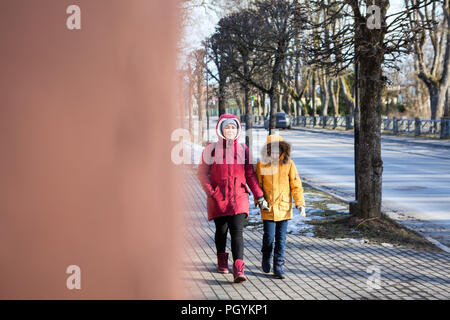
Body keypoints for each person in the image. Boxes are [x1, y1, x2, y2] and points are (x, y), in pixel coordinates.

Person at [197, 114, 269, 283]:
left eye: (233, 127)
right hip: (218, 198)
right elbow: (201, 173)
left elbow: (250, 175)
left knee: (237, 233)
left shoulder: (243, 149)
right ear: (221, 129)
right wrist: (211, 192)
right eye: (227, 127)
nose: (230, 130)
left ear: (238, 130)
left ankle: (238, 270)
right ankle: (222, 260)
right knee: (221, 231)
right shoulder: (211, 149)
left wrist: (259, 195)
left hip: (239, 197)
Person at [255, 134, 306, 279]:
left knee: (281, 239)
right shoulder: (261, 165)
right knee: (269, 237)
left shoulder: (289, 164)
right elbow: (257, 186)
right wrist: (259, 201)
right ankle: (266, 256)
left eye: (278, 150)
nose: (275, 153)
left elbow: (296, 185)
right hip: (268, 207)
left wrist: (300, 203)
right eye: (272, 150)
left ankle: (278, 266)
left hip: (284, 208)